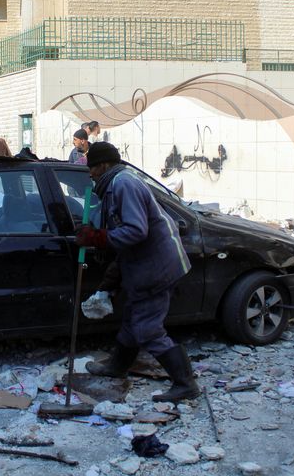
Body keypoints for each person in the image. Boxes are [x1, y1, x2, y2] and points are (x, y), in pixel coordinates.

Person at [76, 141, 198, 403]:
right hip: (144, 263)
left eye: (93, 168)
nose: (91, 174)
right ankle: (117, 366)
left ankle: (185, 383)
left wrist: (98, 237)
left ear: (105, 165)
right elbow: (125, 239)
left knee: (148, 328)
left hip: (157, 266)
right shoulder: (113, 186)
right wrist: (111, 278)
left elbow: (135, 230)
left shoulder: (123, 184)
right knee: (133, 318)